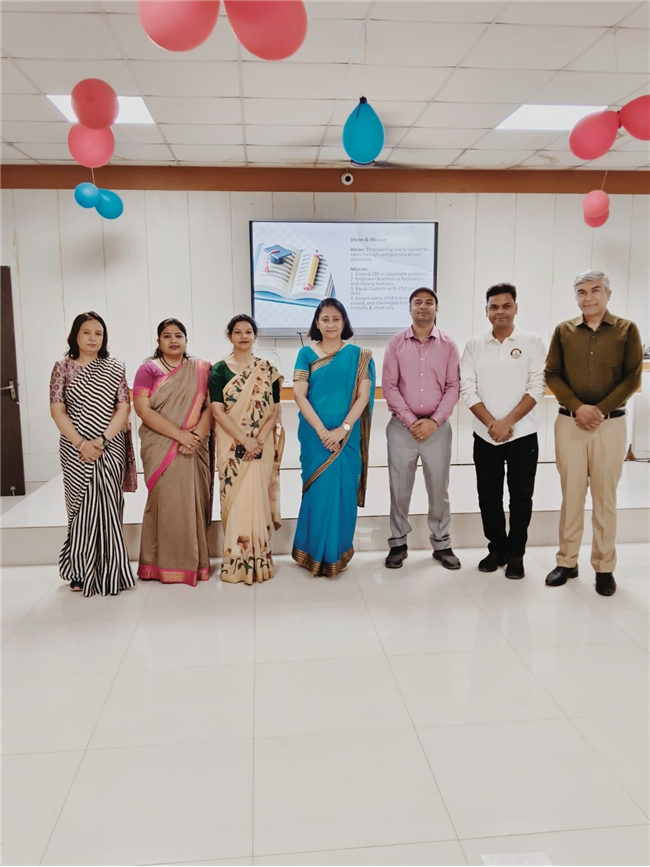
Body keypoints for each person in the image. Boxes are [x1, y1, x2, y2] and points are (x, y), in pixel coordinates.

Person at [545, 270, 643, 596]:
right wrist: (578, 407)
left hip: (610, 425)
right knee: (571, 496)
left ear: (608, 294)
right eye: (582, 292)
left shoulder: (627, 330)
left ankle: (604, 567)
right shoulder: (564, 331)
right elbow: (552, 373)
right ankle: (567, 561)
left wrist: (598, 409)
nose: (588, 297)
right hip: (570, 424)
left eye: (595, 290)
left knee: (605, 498)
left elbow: (632, 377)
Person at [460, 283, 547, 579]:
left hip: (522, 435)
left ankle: (516, 554)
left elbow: (537, 387)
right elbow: (467, 389)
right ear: (486, 311)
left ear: (515, 308)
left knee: (521, 496)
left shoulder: (532, 342)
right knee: (488, 495)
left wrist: (507, 422)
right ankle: (496, 548)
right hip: (485, 435)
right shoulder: (474, 345)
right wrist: (492, 424)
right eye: (494, 307)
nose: (500, 311)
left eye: (506, 306)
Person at [49, 311, 136, 596]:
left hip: (110, 446)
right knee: (81, 507)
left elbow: (123, 407)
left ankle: (112, 568)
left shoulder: (115, 367)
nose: (92, 338)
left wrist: (102, 440)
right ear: (75, 335)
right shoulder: (62, 367)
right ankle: (80, 569)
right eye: (86, 332)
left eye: (98, 333)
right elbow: (57, 410)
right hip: (74, 449)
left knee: (109, 506)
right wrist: (80, 443)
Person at [293, 299, 374, 578]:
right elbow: (299, 395)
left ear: (344, 322)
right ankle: (312, 553)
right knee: (317, 493)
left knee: (343, 492)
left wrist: (343, 429)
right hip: (314, 437)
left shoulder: (360, 356)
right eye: (325, 319)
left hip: (346, 439)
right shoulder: (306, 353)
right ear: (317, 323)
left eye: (336, 319)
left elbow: (363, 396)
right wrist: (322, 432)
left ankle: (337, 553)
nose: (330, 324)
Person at [383, 288, 461, 570]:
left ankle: (442, 544)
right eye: (418, 302)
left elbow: (453, 387)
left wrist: (433, 421)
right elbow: (389, 386)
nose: (423, 307)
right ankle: (398, 544)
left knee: (439, 488)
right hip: (401, 429)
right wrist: (410, 420)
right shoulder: (395, 343)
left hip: (437, 429)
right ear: (410, 308)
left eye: (429, 302)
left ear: (437, 308)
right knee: (399, 488)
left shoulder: (448, 345)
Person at [133, 319, 214, 587]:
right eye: (167, 336)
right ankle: (158, 565)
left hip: (193, 446)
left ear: (186, 340)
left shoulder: (201, 369)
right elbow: (143, 410)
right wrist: (180, 436)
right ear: (158, 341)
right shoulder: (148, 369)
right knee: (165, 505)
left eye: (179, 335)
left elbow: (211, 408)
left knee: (191, 501)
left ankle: (195, 564)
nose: (173, 340)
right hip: (161, 446)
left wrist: (195, 437)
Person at [210, 315, 284, 584]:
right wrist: (244, 439)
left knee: (257, 499)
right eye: (238, 332)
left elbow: (274, 411)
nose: (243, 336)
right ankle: (237, 564)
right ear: (229, 336)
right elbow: (217, 411)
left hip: (260, 447)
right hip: (232, 447)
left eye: (248, 331)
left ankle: (260, 561)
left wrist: (259, 441)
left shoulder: (267, 369)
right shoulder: (219, 370)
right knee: (238, 500)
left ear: (255, 336)